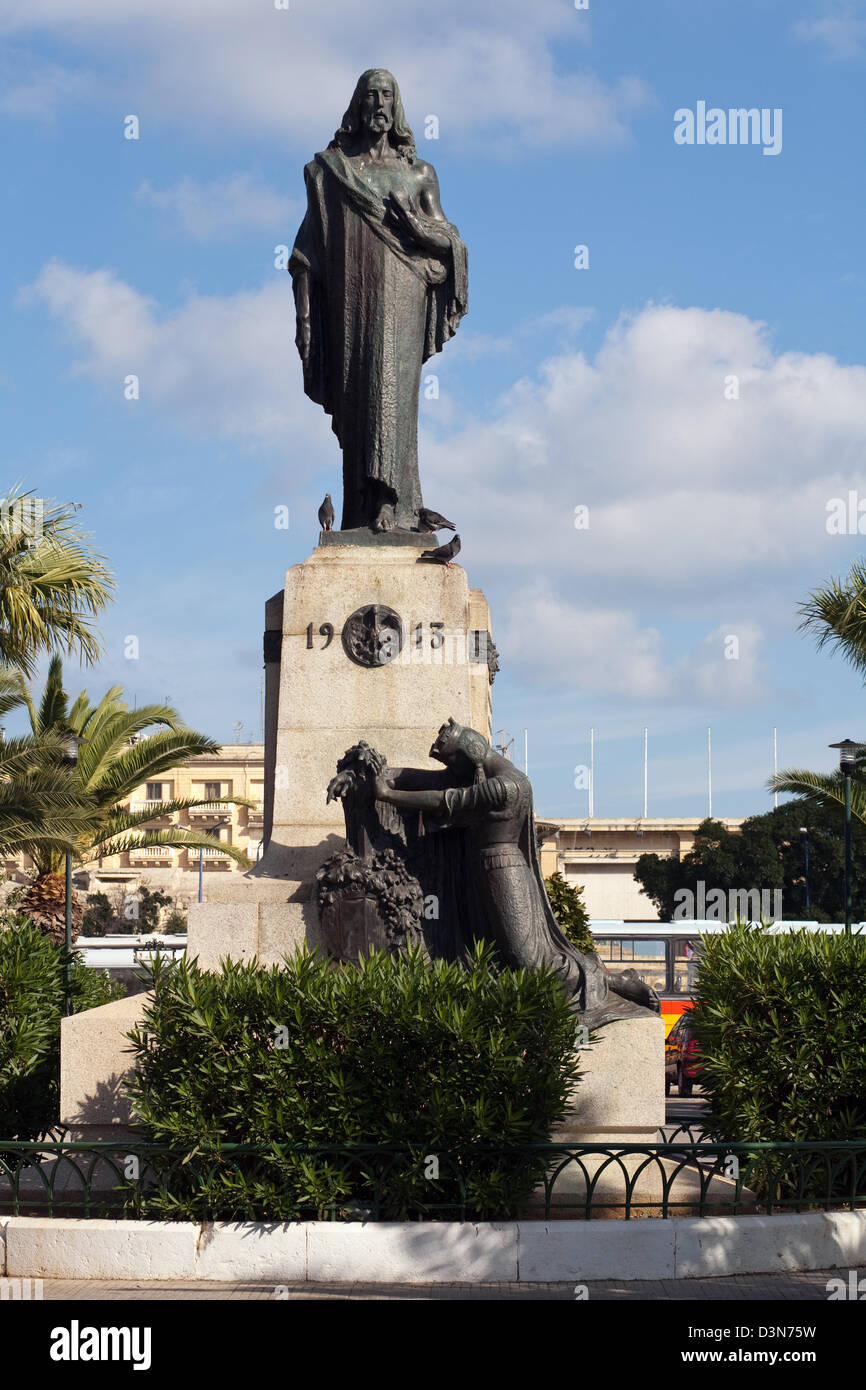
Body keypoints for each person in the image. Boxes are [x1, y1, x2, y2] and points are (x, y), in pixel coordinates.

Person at [372, 718, 659, 1027]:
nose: (452, 774)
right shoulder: (485, 774)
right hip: (481, 870)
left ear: (469, 759)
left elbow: (447, 800)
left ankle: (608, 982)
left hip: (503, 872)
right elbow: (437, 783)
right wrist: (387, 776)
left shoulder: (506, 786)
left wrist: (387, 795)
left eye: (454, 766)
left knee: (530, 961)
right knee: (492, 956)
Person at [290, 69, 467, 532]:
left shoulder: (418, 173)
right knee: (357, 403)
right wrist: (305, 317)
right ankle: (359, 512)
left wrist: (417, 231)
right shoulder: (332, 171)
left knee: (392, 397)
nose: (379, 103)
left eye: (387, 94)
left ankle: (396, 504)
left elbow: (450, 241)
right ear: (358, 105)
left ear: (398, 106)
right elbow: (306, 250)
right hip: (351, 302)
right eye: (371, 95)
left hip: (404, 295)